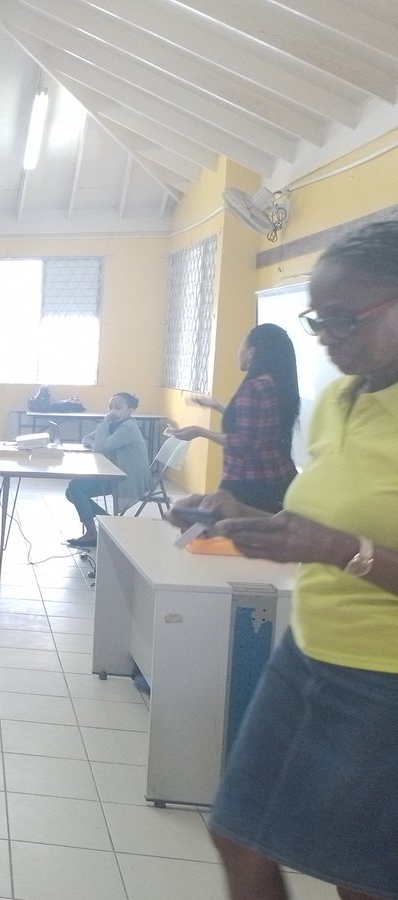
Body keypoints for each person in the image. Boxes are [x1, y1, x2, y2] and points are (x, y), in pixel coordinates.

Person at [168, 222, 398, 900]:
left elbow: (339, 540)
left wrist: (335, 550)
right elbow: (325, 518)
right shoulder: (340, 401)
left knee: (360, 875)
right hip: (308, 651)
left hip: (383, 674)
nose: (325, 335)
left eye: (342, 318)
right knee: (237, 834)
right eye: (315, 319)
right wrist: (245, 517)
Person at [169, 323, 300, 513]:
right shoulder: (277, 385)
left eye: (242, 346)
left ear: (252, 352)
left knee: (207, 526)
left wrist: (200, 431)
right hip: (279, 478)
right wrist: (217, 406)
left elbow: (244, 443)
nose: (239, 352)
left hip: (248, 484)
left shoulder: (254, 388)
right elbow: (259, 427)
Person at [63, 392, 151, 547]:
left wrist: (105, 422)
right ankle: (108, 522)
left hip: (127, 479)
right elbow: (87, 439)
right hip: (115, 474)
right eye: (110, 407)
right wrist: (99, 440)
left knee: (75, 487)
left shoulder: (127, 428)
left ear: (130, 410)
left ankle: (92, 534)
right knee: (71, 492)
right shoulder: (116, 425)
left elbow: (99, 448)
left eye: (118, 407)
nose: (112, 411)